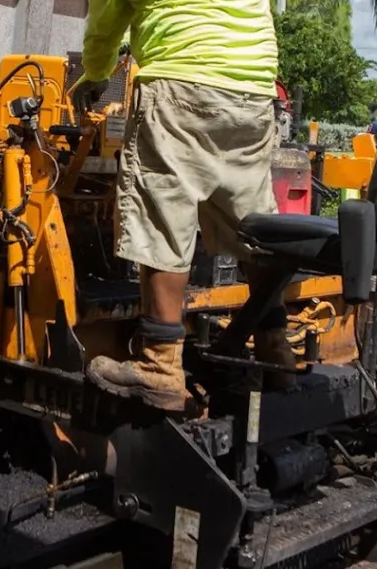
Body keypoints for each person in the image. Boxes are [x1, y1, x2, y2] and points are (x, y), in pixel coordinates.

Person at [74, 0, 294, 412]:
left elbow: (106, 18)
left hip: (181, 83)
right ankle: (276, 351)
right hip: (254, 91)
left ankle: (160, 365)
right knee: (253, 227)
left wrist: (97, 73)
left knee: (163, 217)